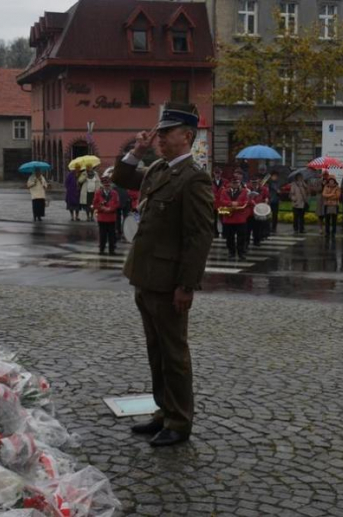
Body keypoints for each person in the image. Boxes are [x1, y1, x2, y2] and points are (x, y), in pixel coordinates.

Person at [112, 102, 214, 447]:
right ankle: (163, 410)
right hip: (146, 276)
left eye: (166, 133)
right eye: (159, 133)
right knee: (155, 351)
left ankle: (179, 421)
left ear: (187, 136)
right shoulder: (158, 169)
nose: (159, 139)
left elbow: (199, 237)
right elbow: (123, 179)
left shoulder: (194, 177)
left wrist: (186, 285)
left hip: (170, 282)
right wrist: (135, 151)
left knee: (174, 353)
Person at [220, 175, 249, 260]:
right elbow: (221, 201)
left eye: (237, 183)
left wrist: (238, 203)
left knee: (241, 237)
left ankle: (241, 253)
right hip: (229, 219)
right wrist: (231, 203)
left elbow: (246, 201)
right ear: (230, 183)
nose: (235, 184)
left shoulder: (244, 191)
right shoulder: (224, 191)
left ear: (239, 183)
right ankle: (231, 252)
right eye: (233, 183)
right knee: (229, 238)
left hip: (240, 219)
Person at [93, 171, 121, 255]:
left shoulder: (114, 193)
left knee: (112, 235)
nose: (107, 186)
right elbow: (95, 204)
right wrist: (102, 208)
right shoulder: (98, 193)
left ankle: (111, 250)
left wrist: (110, 209)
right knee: (102, 235)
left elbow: (117, 204)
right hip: (102, 217)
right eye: (105, 185)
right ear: (102, 185)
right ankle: (101, 249)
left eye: (108, 185)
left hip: (111, 217)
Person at [248, 176, 269, 247]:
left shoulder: (263, 189)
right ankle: (246, 242)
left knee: (257, 227)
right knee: (248, 228)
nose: (254, 184)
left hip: (258, 210)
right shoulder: (247, 189)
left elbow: (266, 197)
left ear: (258, 182)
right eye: (252, 182)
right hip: (249, 211)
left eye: (255, 182)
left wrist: (266, 200)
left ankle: (256, 241)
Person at [322, 174, 341, 239]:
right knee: (327, 220)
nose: (331, 182)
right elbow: (323, 194)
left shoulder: (337, 187)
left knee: (334, 220)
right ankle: (327, 232)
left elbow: (337, 196)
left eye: (332, 181)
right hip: (327, 205)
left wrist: (329, 197)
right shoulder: (326, 187)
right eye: (330, 180)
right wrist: (332, 194)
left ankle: (333, 232)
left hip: (335, 205)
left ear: (335, 181)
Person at [211, 168, 227, 238]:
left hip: (222, 203)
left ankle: (224, 233)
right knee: (214, 219)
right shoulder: (210, 181)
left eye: (219, 173)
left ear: (221, 173)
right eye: (216, 173)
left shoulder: (225, 181)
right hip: (213, 203)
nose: (217, 174)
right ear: (213, 173)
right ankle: (215, 233)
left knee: (223, 219)